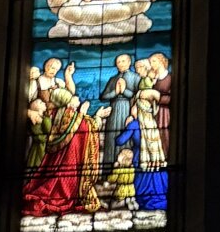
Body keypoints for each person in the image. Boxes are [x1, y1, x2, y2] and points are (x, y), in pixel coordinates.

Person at [22, 88, 105, 216]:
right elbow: (86, 127)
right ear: (66, 101)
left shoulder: (55, 115)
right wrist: (97, 117)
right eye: (71, 98)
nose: (75, 99)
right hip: (70, 170)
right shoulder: (71, 116)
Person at [98, 54, 140, 174]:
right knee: (111, 139)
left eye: (122, 61)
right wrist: (115, 92)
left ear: (129, 62)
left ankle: (127, 172)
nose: (120, 64)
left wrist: (125, 91)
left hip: (128, 110)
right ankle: (109, 173)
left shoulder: (136, 77)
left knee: (127, 138)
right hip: (114, 110)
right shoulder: (112, 79)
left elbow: (139, 96)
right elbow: (103, 96)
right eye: (118, 62)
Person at [148, 52, 172, 156]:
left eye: (154, 61)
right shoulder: (155, 79)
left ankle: (166, 156)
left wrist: (158, 97)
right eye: (150, 62)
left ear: (161, 61)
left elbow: (172, 98)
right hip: (155, 111)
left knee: (164, 135)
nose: (151, 64)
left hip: (165, 113)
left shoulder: (169, 78)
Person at [106, 146, 138, 210]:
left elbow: (112, 179)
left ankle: (124, 202)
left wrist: (115, 168)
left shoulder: (120, 169)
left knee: (111, 206)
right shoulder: (132, 168)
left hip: (121, 191)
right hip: (131, 190)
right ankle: (131, 201)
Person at [25, 99, 48, 170]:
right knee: (36, 164)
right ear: (38, 109)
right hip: (38, 147)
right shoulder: (35, 120)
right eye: (41, 103)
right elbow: (37, 136)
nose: (44, 103)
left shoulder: (43, 118)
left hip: (43, 146)